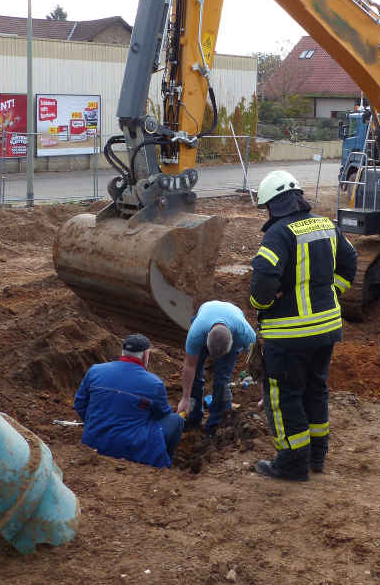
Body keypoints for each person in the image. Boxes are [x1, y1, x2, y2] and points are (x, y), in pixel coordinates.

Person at [249, 169, 357, 481]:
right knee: (315, 389)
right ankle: (316, 457)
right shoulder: (327, 225)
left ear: (272, 205)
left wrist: (265, 304)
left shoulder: (278, 234)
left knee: (285, 397)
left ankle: (292, 463)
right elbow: (350, 260)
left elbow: (262, 284)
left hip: (289, 335)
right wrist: (333, 291)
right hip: (327, 330)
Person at [74, 334, 184, 468]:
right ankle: (164, 465)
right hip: (131, 449)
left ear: (123, 351)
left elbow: (80, 404)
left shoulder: (95, 370)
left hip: (93, 442)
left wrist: (97, 424)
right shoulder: (154, 384)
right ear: (145, 355)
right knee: (176, 420)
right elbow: (162, 415)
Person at [176, 300, 257, 434]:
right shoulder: (197, 332)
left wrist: (265, 395)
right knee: (195, 375)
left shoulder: (245, 334)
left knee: (222, 381)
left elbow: (259, 365)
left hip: (232, 322)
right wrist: (185, 398)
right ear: (206, 338)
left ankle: (215, 425)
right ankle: (193, 419)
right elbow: (190, 366)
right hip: (207, 314)